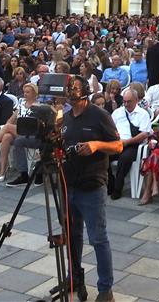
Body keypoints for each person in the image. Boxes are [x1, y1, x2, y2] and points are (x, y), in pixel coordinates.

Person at [61, 75, 122, 302]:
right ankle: (74, 276)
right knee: (72, 235)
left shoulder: (99, 115)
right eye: (68, 89)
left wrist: (96, 145)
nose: (71, 92)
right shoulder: (65, 118)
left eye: (75, 88)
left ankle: (105, 289)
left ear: (84, 91)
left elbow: (118, 145)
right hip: (68, 184)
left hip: (92, 185)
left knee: (97, 238)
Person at [0, 82, 39, 181]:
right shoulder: (22, 104)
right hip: (19, 132)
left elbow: (36, 124)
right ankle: (2, 170)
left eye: (28, 92)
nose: (25, 94)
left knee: (8, 127)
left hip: (30, 133)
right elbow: (11, 119)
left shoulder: (38, 106)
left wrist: (8, 126)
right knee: (6, 137)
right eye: (24, 92)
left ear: (35, 93)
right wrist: (8, 126)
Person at [109, 88, 152, 199]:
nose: (126, 104)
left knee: (124, 159)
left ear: (136, 100)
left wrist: (127, 142)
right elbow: (110, 128)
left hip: (133, 144)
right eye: (124, 101)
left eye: (129, 101)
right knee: (102, 155)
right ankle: (110, 182)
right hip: (117, 142)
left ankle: (118, 188)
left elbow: (144, 134)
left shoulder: (143, 114)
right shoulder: (118, 112)